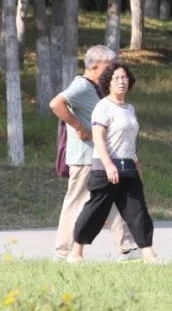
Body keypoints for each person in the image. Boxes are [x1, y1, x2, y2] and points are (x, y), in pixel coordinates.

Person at [49, 46, 139, 260]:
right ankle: (63, 251)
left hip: (101, 157)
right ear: (94, 66)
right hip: (85, 158)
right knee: (77, 201)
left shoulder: (96, 87)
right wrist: (79, 127)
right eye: (109, 66)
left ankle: (126, 247)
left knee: (115, 199)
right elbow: (56, 104)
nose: (114, 71)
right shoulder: (81, 85)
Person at [67, 63, 159, 263]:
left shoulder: (129, 109)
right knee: (95, 212)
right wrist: (108, 165)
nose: (121, 81)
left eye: (124, 77)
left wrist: (138, 167)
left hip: (128, 166)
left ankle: (148, 253)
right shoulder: (103, 106)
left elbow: (130, 142)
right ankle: (76, 253)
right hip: (105, 167)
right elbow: (98, 138)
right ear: (108, 82)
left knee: (138, 211)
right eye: (116, 78)